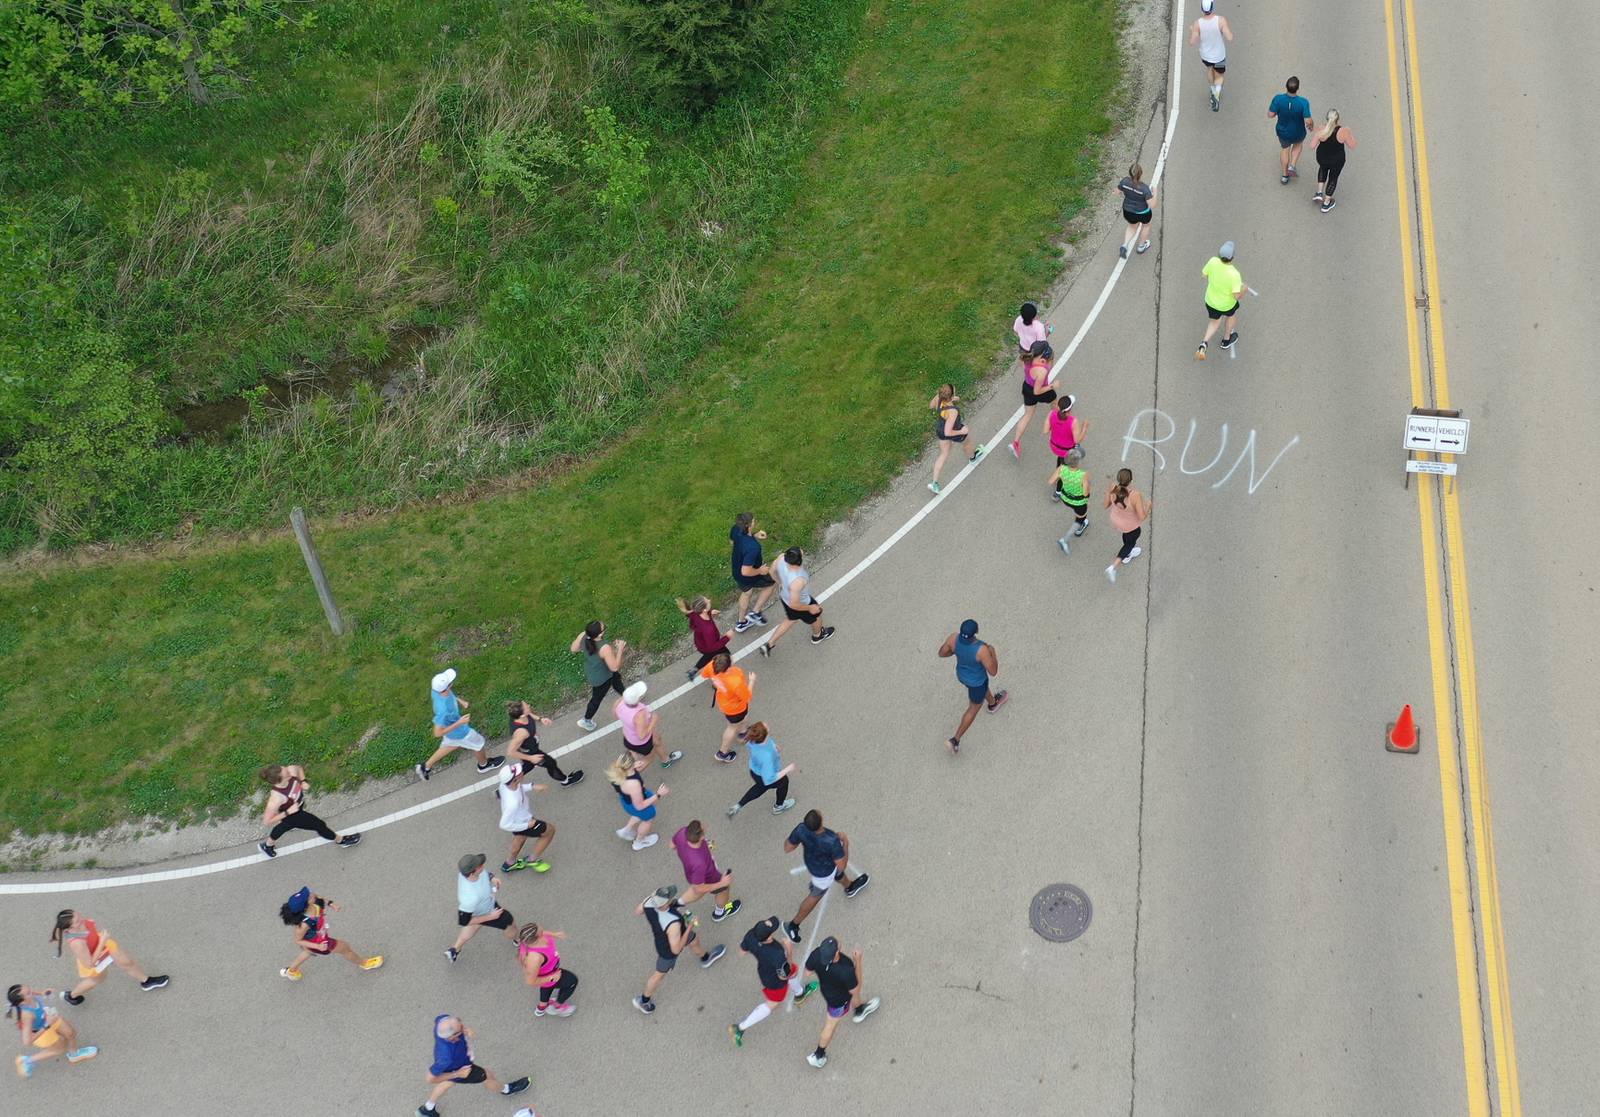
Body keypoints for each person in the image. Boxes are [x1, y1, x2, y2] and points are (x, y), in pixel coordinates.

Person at [633, 885, 726, 1015]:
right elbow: (676, 949)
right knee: (658, 976)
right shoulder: (673, 923)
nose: (673, 897)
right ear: (665, 904)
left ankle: (705, 958)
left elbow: (637, 911)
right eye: (670, 897)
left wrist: (652, 898)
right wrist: (689, 926)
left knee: (693, 940)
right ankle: (644, 1000)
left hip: (662, 937)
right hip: (668, 950)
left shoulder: (649, 902)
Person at [728, 916, 818, 1048]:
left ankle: (799, 993)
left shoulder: (751, 935)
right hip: (775, 981)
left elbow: (742, 951)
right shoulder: (777, 953)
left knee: (794, 971)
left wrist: (757, 949)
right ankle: (740, 1028)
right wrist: (789, 950)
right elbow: (784, 975)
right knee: (773, 1003)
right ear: (769, 936)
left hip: (764, 971)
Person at [417, 1014, 529, 1116]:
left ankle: (427, 1109)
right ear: (451, 1037)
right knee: (488, 1076)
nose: (463, 1026)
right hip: (462, 1070)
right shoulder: (446, 1057)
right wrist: (458, 1074)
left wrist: (467, 1032)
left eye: (460, 1022)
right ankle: (506, 1089)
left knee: (447, 1083)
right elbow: (430, 1078)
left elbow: (446, 1021)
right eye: (461, 1028)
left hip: (453, 1066)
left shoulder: (442, 1021)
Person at [782, 810, 869, 943]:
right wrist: (845, 843)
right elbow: (842, 865)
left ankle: (850, 886)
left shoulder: (801, 829)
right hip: (823, 873)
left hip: (812, 862)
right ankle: (793, 925)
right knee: (815, 896)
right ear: (821, 820)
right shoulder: (831, 840)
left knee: (837, 873)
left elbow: (787, 847)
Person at [50, 910, 167, 1004]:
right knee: (96, 980)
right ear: (70, 928)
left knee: (127, 962)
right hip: (95, 957)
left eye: (79, 916)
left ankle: (147, 981)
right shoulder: (77, 943)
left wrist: (101, 941)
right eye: (78, 921)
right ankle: (71, 995)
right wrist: (102, 941)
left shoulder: (80, 925)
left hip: (103, 945)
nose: (82, 920)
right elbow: (89, 964)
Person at [803, 936, 880, 1067]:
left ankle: (860, 1010)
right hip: (839, 1001)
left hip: (829, 991)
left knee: (850, 997)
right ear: (836, 953)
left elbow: (807, 973)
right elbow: (855, 989)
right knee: (830, 1026)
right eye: (837, 945)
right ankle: (818, 1055)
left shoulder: (817, 954)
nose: (839, 942)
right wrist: (858, 961)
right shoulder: (846, 970)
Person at [277, 886, 384, 981]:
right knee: (345, 948)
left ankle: (291, 971)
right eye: (308, 896)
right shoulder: (304, 925)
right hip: (319, 942)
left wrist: (330, 903)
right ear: (306, 905)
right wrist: (317, 946)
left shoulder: (314, 902)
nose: (312, 894)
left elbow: (319, 897)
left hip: (316, 938)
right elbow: (297, 940)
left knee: (307, 952)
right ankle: (364, 963)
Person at [256, 763, 362, 858]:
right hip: (294, 815)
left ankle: (267, 846)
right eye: (287, 773)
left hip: (298, 808)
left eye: (286, 769)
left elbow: (298, 768)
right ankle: (341, 841)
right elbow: (267, 821)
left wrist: (303, 781)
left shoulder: (290, 770)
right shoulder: (276, 798)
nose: (289, 770)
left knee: (285, 826)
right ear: (281, 781)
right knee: (319, 825)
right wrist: (288, 812)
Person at [417, 668, 504, 781]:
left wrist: (459, 700)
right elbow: (437, 733)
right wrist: (459, 723)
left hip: (453, 733)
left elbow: (449, 695)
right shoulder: (443, 710)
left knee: (450, 745)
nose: (452, 683)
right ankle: (484, 765)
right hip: (460, 732)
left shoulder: (437, 691)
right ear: (447, 687)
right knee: (479, 743)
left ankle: (425, 767)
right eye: (450, 683)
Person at [937, 620, 1009, 755]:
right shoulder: (982, 650)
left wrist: (955, 651)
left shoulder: (953, 638)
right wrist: (993, 653)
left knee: (982, 689)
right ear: (975, 633)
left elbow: (942, 653)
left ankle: (993, 703)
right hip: (976, 682)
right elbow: (993, 671)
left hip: (962, 675)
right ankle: (955, 740)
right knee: (973, 708)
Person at [7, 984, 96, 1078]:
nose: (32, 992)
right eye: (28, 993)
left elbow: (32, 992)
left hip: (48, 1018)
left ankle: (74, 1055)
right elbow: (27, 1042)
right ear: (22, 1003)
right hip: (42, 1032)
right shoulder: (27, 1015)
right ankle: (27, 1060)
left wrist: (42, 992)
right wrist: (47, 1025)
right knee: (59, 1049)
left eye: (29, 989)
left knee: (70, 1033)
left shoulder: (29, 997)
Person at [761, 546, 834, 655]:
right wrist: (810, 607)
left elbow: (771, 572)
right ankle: (818, 635)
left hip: (784, 597)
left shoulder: (781, 558)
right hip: (801, 603)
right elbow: (794, 604)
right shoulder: (798, 579)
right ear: (799, 561)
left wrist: (780, 582)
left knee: (791, 619)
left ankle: (769, 644)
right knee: (817, 616)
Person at [445, 854, 517, 963]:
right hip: (488, 910)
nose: (482, 865)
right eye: (479, 865)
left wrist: (492, 878)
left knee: (475, 925)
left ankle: (454, 950)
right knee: (509, 923)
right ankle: (518, 940)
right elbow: (464, 921)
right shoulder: (470, 898)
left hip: (481, 907)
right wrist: (490, 917)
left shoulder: (466, 872)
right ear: (472, 872)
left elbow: (484, 873)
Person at [672, 819, 742, 921]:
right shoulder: (699, 863)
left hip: (691, 872)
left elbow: (672, 845)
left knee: (697, 888)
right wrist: (722, 883)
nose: (704, 824)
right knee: (723, 889)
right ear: (701, 837)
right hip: (710, 875)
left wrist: (698, 848)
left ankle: (678, 904)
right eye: (703, 826)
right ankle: (720, 913)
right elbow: (698, 888)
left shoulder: (682, 832)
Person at [726, 721, 798, 816]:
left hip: (755, 770)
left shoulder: (753, 739)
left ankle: (738, 805)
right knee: (783, 782)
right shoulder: (766, 756)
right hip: (764, 774)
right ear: (765, 734)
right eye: (765, 726)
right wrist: (788, 769)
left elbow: (767, 742)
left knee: (760, 787)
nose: (767, 723)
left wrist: (774, 746)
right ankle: (779, 806)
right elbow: (769, 778)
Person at [505, 700, 582, 787]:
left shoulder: (519, 715)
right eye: (526, 706)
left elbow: (529, 714)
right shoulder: (521, 732)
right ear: (522, 715)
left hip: (530, 747)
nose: (529, 705)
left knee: (528, 766)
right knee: (551, 763)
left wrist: (540, 719)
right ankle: (566, 781)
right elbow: (510, 752)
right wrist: (531, 758)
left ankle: (508, 782)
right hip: (532, 753)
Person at [1197, 241, 1253, 359]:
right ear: (1232, 258)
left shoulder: (1213, 261)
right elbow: (1236, 296)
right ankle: (1226, 340)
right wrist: (1245, 289)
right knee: (1231, 316)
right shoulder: (1234, 274)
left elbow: (1204, 275)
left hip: (1211, 301)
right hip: (1227, 305)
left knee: (1214, 322)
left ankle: (1204, 343)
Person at [496, 762, 554, 874]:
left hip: (518, 819)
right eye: (519, 773)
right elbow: (504, 824)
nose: (522, 772)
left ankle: (510, 863)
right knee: (550, 831)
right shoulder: (512, 803)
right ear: (514, 780)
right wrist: (527, 825)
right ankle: (532, 860)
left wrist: (532, 786)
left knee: (520, 837)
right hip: (523, 822)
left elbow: (519, 787)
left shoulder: (505, 785)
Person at [927, 383, 984, 494]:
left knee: (943, 454)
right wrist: (962, 431)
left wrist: (952, 400)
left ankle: (934, 483)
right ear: (951, 395)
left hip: (940, 429)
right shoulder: (952, 412)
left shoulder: (938, 397)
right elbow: (949, 432)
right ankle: (973, 458)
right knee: (967, 442)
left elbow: (931, 406)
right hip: (953, 430)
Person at [701, 651, 755, 762]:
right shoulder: (735, 680)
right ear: (729, 666)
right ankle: (723, 753)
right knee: (732, 727)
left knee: (738, 722)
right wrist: (752, 681)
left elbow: (704, 674)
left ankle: (743, 733)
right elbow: (747, 697)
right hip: (736, 708)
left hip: (724, 702)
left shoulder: (712, 665)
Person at [571, 621, 626, 732]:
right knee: (596, 699)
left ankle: (628, 696)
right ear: (600, 634)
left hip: (594, 670)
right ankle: (586, 720)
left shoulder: (583, 635)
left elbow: (574, 649)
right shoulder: (604, 648)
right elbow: (614, 667)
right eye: (603, 627)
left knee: (616, 680)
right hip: (602, 678)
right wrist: (620, 649)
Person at [608, 752, 668, 851]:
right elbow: (640, 806)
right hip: (636, 803)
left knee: (650, 805)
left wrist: (634, 766)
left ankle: (626, 830)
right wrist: (659, 794)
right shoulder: (633, 784)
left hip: (629, 799)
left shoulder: (619, 771)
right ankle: (639, 842)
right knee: (648, 819)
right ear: (629, 765)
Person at [616, 680, 682, 769]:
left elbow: (615, 714)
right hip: (641, 742)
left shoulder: (619, 702)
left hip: (628, 736)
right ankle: (631, 776)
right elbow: (642, 735)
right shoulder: (639, 714)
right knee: (648, 759)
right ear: (638, 699)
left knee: (657, 740)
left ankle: (666, 760)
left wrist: (629, 722)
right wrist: (653, 721)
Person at [516, 923, 577, 1018]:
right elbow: (530, 981)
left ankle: (541, 1008)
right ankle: (558, 1006)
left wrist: (555, 934)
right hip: (550, 975)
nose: (543, 930)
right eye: (541, 931)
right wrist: (552, 978)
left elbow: (544, 932)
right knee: (572, 981)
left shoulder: (534, 937)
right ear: (537, 937)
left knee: (547, 987)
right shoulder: (534, 958)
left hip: (550, 970)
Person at [729, 513, 776, 632]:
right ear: (748, 526)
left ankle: (741, 623)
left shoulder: (735, 529)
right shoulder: (753, 547)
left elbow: (732, 543)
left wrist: (753, 536)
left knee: (747, 593)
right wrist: (760, 570)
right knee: (771, 583)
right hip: (748, 574)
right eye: (753, 521)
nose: (755, 522)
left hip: (736, 570)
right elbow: (746, 571)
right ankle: (755, 612)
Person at [1009, 339, 1056, 459]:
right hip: (1040, 390)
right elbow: (1037, 391)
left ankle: (1015, 442)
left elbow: (1022, 365)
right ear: (1043, 358)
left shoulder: (1026, 360)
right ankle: (1057, 423)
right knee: (1055, 403)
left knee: (1028, 415)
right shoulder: (1042, 370)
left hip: (1027, 387)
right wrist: (1052, 386)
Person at [1105, 468, 1153, 584]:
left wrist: (1109, 492)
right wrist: (1149, 506)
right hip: (1129, 525)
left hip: (1116, 520)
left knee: (1126, 536)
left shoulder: (1113, 487)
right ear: (1131, 480)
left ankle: (1128, 554)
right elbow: (1142, 517)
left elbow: (1106, 504)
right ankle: (1114, 566)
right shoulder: (1135, 495)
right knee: (1130, 542)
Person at [1267, 76, 1314, 184]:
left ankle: (1284, 175)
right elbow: (1308, 120)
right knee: (1298, 144)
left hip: (1282, 131)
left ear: (1286, 87)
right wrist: (1311, 125)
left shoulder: (1278, 99)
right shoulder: (1303, 102)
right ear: (1298, 88)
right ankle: (1292, 165)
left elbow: (1270, 114)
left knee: (1285, 149)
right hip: (1298, 131)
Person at [1189, 0, 1233, 111]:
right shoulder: (1221, 20)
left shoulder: (1197, 23)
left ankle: (1212, 90)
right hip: (1219, 55)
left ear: (1202, 9)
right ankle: (1216, 94)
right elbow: (1230, 37)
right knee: (1219, 75)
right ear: (1213, 7)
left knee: (1209, 69)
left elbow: (1192, 42)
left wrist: (1193, 31)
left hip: (1206, 55)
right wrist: (1226, 31)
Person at [676, 596, 732, 679]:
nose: (709, 600)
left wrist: (710, 612)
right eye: (707, 601)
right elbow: (712, 647)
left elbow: (691, 614)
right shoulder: (708, 629)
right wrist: (727, 637)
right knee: (726, 657)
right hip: (709, 646)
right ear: (704, 610)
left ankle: (694, 669)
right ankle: (718, 676)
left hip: (701, 643)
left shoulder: (696, 613)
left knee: (708, 655)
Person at [1312, 109, 1356, 213]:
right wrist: (1349, 133)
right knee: (1333, 178)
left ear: (1326, 118)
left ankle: (1319, 192)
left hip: (1322, 157)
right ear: (1338, 119)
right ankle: (1326, 203)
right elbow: (1352, 145)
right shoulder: (1343, 131)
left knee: (1323, 169)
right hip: (1337, 160)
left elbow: (1312, 145)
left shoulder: (1321, 129)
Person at [1052, 448, 1092, 550]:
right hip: (1079, 502)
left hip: (1065, 497)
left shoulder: (1061, 469)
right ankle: (1065, 539)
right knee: (1080, 518)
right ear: (1078, 462)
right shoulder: (1083, 475)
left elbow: (1051, 481)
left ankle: (1080, 523)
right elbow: (1085, 492)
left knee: (1077, 512)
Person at [1116, 163, 1157, 258]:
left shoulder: (1124, 181)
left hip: (1128, 210)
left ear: (1130, 173)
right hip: (1143, 213)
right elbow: (1153, 205)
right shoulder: (1145, 189)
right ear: (1141, 174)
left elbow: (1117, 192)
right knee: (1146, 226)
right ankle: (1141, 247)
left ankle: (1125, 245)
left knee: (1132, 227)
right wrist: (1155, 193)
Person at [1045, 393, 1088, 471]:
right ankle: (1060, 480)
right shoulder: (1073, 421)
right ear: (1070, 409)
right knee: (1067, 467)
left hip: (1054, 446)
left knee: (1061, 458)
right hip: (1067, 451)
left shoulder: (1052, 413)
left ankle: (1058, 469)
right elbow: (1077, 441)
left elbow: (1045, 431)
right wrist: (1084, 428)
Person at [1011, 301, 1050, 369]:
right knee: (1038, 365)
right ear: (1035, 315)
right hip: (1034, 351)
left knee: (1027, 362)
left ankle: (1028, 370)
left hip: (1023, 347)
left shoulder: (1019, 319)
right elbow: (1041, 344)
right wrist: (1047, 331)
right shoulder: (1039, 327)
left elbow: (1016, 331)